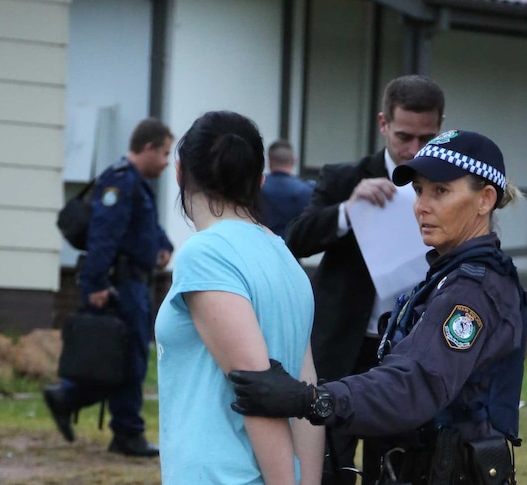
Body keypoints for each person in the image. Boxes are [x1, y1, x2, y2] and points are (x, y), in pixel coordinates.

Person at [230, 130, 527, 485]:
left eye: (441, 191)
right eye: (419, 191)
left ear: (485, 200)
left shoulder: (472, 290)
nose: (422, 205)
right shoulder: (447, 275)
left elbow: (414, 385)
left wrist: (311, 400)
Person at [285, 75, 445, 484]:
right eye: (405, 136)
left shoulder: (450, 186)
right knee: (329, 462)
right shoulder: (344, 177)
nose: (414, 150)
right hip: (342, 344)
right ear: (383, 125)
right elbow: (296, 240)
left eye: (427, 138)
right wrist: (347, 210)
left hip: (407, 348)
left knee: (396, 464)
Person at [154, 111, 323, 484]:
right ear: (259, 181)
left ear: (180, 173)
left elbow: (257, 392)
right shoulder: (286, 259)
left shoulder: (205, 255)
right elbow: (304, 391)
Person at [43, 118, 175, 456]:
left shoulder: (137, 183)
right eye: (164, 153)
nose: (166, 162)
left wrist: (163, 245)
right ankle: (126, 432)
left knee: (125, 358)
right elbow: (103, 235)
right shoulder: (120, 181)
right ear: (147, 148)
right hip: (120, 284)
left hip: (133, 281)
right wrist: (96, 284)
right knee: (128, 358)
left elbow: (143, 228)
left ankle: (70, 398)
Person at [261, 139, 314, 237]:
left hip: (263, 244)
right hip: (293, 248)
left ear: (269, 161)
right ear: (294, 160)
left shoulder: (257, 187)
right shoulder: (306, 190)